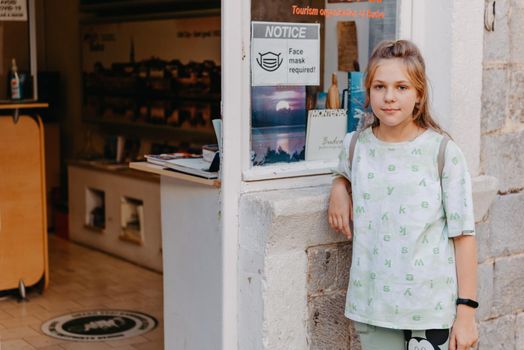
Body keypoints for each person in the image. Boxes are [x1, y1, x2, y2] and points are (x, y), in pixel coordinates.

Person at [328, 40, 479, 350]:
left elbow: (463, 235)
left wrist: (466, 312)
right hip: (373, 308)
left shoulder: (443, 152)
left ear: (419, 94)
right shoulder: (354, 146)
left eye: (402, 87)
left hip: (429, 311)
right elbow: (344, 173)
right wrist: (339, 187)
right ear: (368, 92)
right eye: (380, 86)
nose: (390, 97)